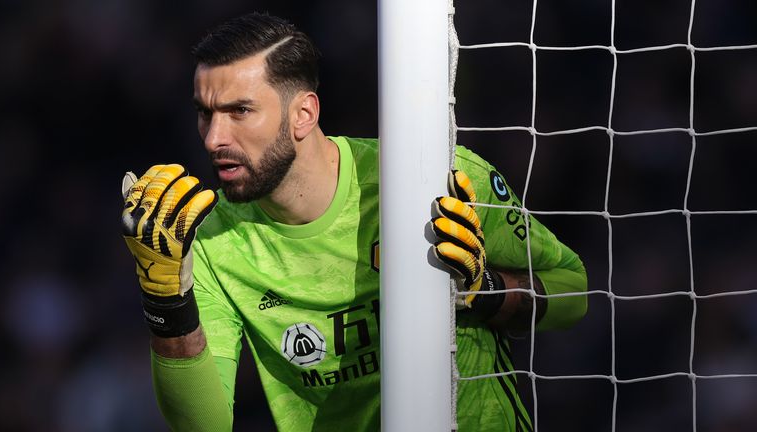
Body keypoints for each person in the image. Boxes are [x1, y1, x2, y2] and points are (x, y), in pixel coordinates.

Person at [120, 12, 588, 432]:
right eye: (205, 114)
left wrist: (483, 291)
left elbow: (576, 293)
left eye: (240, 111)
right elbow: (204, 425)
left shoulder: (433, 177)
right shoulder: (211, 239)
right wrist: (166, 305)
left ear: (303, 113)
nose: (214, 137)